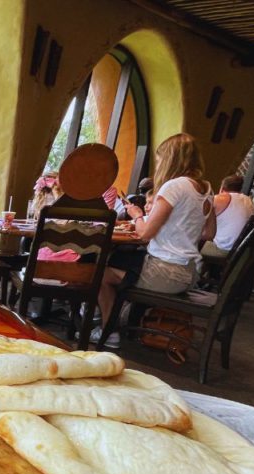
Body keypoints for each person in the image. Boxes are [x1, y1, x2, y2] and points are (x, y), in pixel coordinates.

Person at [92, 133, 217, 348]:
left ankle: (108, 331)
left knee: (99, 273)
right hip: (189, 272)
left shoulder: (174, 186)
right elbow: (209, 234)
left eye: (160, 159)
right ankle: (114, 317)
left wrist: (137, 215)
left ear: (170, 159)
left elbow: (145, 233)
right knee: (120, 260)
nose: (158, 164)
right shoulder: (206, 188)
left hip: (166, 273)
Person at [202, 175, 254, 258]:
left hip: (223, 249)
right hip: (241, 249)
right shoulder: (247, 200)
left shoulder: (219, 199)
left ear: (222, 188)